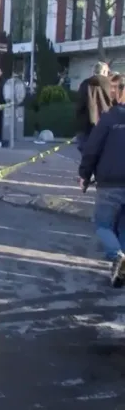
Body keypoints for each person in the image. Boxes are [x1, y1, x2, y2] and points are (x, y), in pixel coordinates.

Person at [78, 84, 125, 287]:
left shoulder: (109, 118)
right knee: (123, 227)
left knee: (103, 224)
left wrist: (84, 175)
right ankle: (121, 268)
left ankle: (117, 256)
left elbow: (92, 149)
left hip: (110, 182)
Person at [76, 61, 113, 152]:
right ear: (104, 71)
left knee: (86, 154)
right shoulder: (110, 84)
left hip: (86, 125)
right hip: (105, 125)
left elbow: (80, 103)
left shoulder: (85, 83)